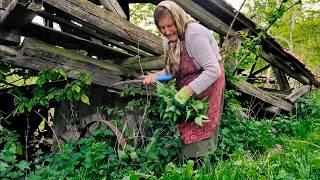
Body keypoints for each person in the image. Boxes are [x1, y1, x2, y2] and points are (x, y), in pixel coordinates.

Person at [141, 1, 225, 158]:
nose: (166, 31)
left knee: (203, 123)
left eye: (170, 25)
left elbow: (214, 70)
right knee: (186, 124)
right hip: (188, 86)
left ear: (178, 19)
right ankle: (190, 163)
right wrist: (156, 76)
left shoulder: (194, 34)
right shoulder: (169, 40)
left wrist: (186, 92)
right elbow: (171, 70)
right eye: (162, 27)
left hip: (209, 81)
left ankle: (203, 164)